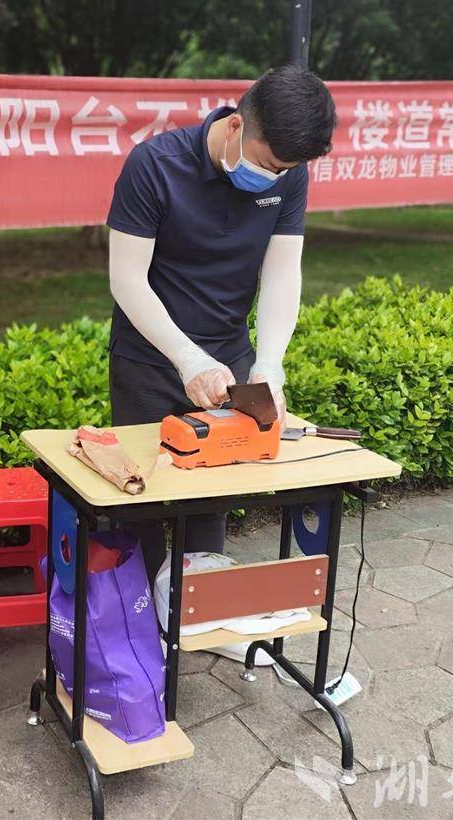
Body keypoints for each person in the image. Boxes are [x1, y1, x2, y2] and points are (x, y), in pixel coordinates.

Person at [107, 65, 337, 582]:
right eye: (268, 164)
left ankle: (197, 606)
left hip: (231, 357)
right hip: (148, 357)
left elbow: (282, 274)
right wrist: (187, 358)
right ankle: (140, 611)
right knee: (141, 497)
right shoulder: (155, 165)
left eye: (286, 169)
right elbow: (127, 279)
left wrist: (269, 364)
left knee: (212, 496)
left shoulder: (288, 173)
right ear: (236, 125)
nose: (274, 176)